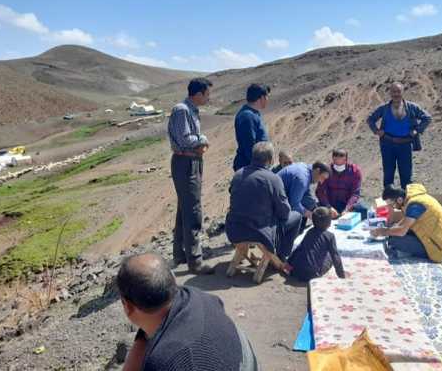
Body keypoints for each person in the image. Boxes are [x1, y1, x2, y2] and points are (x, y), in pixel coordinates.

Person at [117, 253, 258, 371]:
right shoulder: (196, 295)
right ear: (172, 280)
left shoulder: (165, 360)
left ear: (127, 306)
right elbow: (147, 336)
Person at [167, 77, 214, 275]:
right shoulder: (182, 110)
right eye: (207, 94)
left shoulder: (191, 111)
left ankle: (180, 254)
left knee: (184, 209)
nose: (209, 98)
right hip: (185, 162)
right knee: (193, 210)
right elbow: (186, 139)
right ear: (198, 94)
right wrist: (202, 140)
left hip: (191, 161)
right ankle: (195, 261)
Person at [225, 142, 303, 260]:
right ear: (271, 160)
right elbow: (285, 212)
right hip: (260, 233)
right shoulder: (273, 179)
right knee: (297, 216)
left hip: (233, 231)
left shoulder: (238, 174)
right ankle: (282, 255)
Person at [367, 83, 432, 189]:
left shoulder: (411, 107)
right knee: (388, 174)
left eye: (398, 91)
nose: (396, 94)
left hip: (405, 144)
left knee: (406, 175)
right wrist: (377, 131)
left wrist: (417, 130)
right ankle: (389, 200)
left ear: (403, 92)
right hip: (387, 144)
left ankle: (407, 201)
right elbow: (370, 119)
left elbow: (427, 118)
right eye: (393, 91)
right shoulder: (384, 108)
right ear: (390, 93)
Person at [370, 184, 442, 263]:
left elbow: (402, 231)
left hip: (437, 248)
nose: (393, 207)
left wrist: (382, 231)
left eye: (392, 204)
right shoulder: (415, 198)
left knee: (394, 240)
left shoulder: (415, 205)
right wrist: (390, 229)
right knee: (392, 232)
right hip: (439, 240)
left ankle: (406, 253)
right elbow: (403, 222)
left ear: (399, 200)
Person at [284, 207, 346, 282]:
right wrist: (341, 275)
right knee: (330, 256)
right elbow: (335, 257)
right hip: (313, 273)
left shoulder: (310, 232)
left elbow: (299, 248)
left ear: (313, 221)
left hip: (297, 271)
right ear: (329, 223)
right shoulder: (330, 236)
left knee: (303, 251)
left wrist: (289, 262)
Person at [316, 148, 369, 221]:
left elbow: (355, 193)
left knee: (363, 209)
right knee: (313, 209)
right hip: (330, 204)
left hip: (346, 204)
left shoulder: (355, 171)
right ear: (333, 159)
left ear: (346, 160)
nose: (338, 165)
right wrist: (328, 207)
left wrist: (347, 209)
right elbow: (320, 191)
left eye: (341, 162)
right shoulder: (326, 171)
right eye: (336, 162)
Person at [233, 84, 271, 171]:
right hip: (250, 168)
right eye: (267, 97)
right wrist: (259, 168)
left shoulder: (253, 114)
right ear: (262, 98)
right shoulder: (247, 116)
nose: (268, 100)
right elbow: (250, 146)